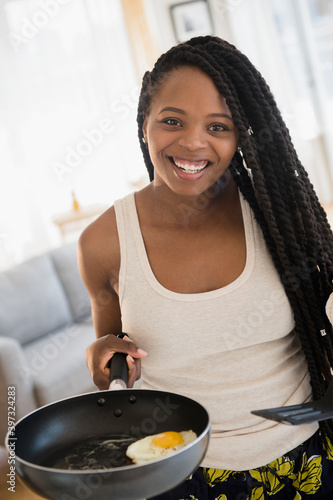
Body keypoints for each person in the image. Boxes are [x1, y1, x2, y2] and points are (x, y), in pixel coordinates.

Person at [78, 36, 333, 499]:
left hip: (304, 457)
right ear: (144, 125)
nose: (193, 142)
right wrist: (102, 359)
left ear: (240, 136)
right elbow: (114, 361)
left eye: (219, 127)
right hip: (181, 471)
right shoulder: (102, 242)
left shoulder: (277, 215)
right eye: (172, 120)